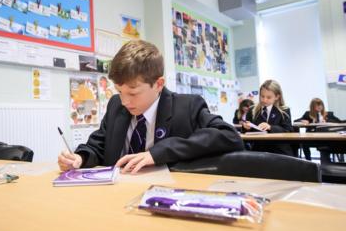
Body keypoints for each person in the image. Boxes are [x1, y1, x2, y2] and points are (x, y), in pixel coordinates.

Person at [58, 40, 244, 174]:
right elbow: (98, 146)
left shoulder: (187, 106)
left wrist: (157, 153)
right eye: (119, 91)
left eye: (133, 93)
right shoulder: (116, 105)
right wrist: (80, 158)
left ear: (158, 84)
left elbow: (230, 136)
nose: (124, 101)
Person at [243, 79, 294, 156]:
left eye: (268, 97)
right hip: (258, 150)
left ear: (277, 97)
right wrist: (246, 127)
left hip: (279, 150)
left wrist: (270, 127)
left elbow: (288, 130)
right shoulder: (252, 110)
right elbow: (246, 132)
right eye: (262, 96)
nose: (264, 100)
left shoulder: (284, 110)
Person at [295, 98, 343, 162]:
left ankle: (326, 163)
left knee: (326, 146)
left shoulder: (329, 114)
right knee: (304, 143)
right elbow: (296, 121)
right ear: (312, 107)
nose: (319, 107)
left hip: (325, 137)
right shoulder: (308, 114)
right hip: (312, 137)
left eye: (321, 105)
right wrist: (303, 121)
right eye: (317, 105)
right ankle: (309, 161)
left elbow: (339, 121)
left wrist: (326, 121)